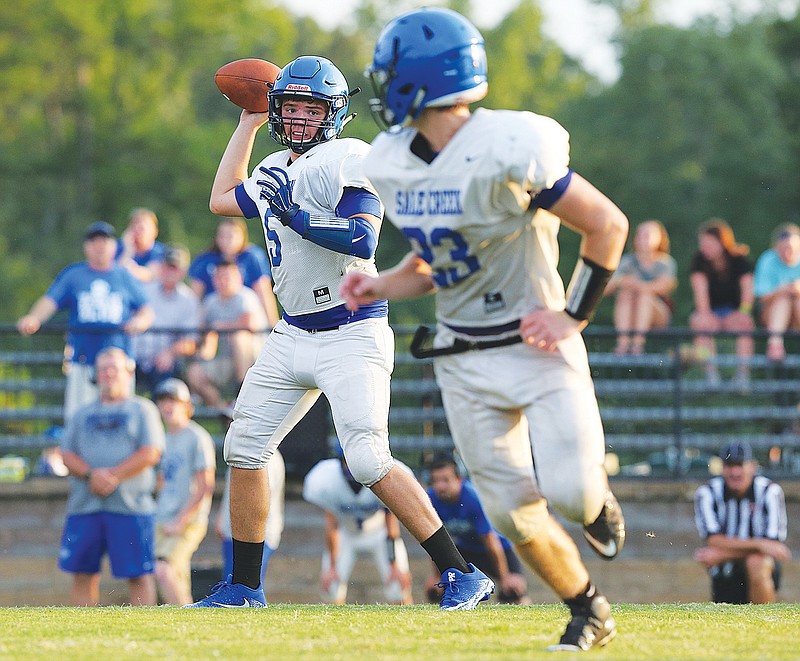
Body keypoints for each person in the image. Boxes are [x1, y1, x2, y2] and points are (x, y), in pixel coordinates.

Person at [340, 8, 628, 650]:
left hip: (537, 345)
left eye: (390, 73)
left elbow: (607, 225)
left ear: (421, 79)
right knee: (511, 515)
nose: (382, 87)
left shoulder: (512, 145)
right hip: (462, 355)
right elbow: (439, 261)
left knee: (573, 492)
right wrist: (382, 283)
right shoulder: (392, 162)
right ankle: (588, 609)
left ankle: (597, 504)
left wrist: (573, 313)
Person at [187, 54, 493, 610]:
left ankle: (461, 572)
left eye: (310, 108)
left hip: (351, 329)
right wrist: (247, 123)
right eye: (289, 108)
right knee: (245, 447)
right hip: (292, 330)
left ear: (333, 113)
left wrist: (299, 215)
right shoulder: (275, 162)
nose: (299, 119)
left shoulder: (349, 156)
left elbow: (362, 240)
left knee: (368, 459)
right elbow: (220, 200)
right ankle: (244, 587)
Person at [57, 346, 164, 606]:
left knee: (138, 574)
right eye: (102, 369)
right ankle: (82, 633)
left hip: (131, 507)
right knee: (83, 573)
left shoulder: (143, 410)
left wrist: (113, 476)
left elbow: (151, 452)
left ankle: (144, 630)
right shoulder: (81, 414)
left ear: (128, 372)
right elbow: (66, 454)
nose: (107, 374)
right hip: (86, 506)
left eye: (113, 368)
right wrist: (92, 475)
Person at [16, 221, 154, 423]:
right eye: (94, 241)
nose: (99, 246)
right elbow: (50, 301)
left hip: (117, 363)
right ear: (86, 246)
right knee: (79, 419)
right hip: (84, 359)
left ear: (113, 246)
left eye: (104, 241)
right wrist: (33, 318)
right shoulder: (74, 275)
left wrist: (139, 322)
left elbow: (147, 311)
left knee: (121, 421)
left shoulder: (123, 276)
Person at [303, 449, 413, 605]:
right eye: (349, 460)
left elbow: (391, 522)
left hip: (379, 533)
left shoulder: (384, 472)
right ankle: (333, 629)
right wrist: (332, 566)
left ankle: (408, 628)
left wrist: (394, 565)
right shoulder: (328, 479)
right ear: (341, 460)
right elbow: (332, 525)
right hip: (345, 534)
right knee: (332, 588)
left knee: (398, 587)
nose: (354, 466)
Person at [424, 454, 530, 605]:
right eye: (436, 481)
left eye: (446, 480)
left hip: (497, 549)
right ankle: (447, 624)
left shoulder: (472, 498)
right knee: (437, 591)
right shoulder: (431, 500)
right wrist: (437, 576)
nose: (440, 486)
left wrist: (505, 577)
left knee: (514, 591)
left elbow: (490, 541)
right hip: (466, 549)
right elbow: (434, 544)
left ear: (459, 480)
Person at [694, 441, 790, 604]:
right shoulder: (707, 493)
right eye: (729, 466)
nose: (735, 472)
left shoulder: (769, 492)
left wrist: (722, 554)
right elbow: (713, 539)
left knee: (757, 562)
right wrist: (760, 545)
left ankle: (765, 622)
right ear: (722, 468)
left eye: (740, 465)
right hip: (725, 571)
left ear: (753, 466)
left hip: (759, 567)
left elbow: (772, 546)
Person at [153, 378, 216, 605]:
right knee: (172, 575)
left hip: (186, 521)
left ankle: (185, 617)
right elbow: (162, 482)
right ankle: (187, 621)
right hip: (163, 518)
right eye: (163, 401)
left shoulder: (197, 437)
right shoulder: (162, 438)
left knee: (163, 570)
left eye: (174, 401)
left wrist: (182, 520)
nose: (167, 406)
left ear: (188, 407)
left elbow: (205, 485)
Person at [185, 259, 268, 409]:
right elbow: (201, 331)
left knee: (239, 337)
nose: (222, 281)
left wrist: (220, 327)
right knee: (194, 373)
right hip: (225, 360)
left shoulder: (245, 297)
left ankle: (242, 394)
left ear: (239, 279)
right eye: (219, 277)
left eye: (227, 276)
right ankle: (223, 411)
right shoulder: (210, 302)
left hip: (254, 361)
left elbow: (250, 324)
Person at [688, 219, 754, 388]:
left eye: (709, 243)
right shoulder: (698, 261)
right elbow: (700, 291)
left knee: (746, 324)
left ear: (722, 242)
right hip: (710, 311)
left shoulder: (739, 260)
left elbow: (748, 290)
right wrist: (705, 315)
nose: (704, 247)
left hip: (734, 312)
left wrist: (743, 312)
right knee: (699, 322)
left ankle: (742, 376)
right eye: (702, 243)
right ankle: (710, 374)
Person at [131, 244, 201, 396]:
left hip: (163, 361)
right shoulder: (144, 291)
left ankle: (162, 416)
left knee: (164, 381)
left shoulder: (188, 300)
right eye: (168, 266)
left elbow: (191, 342)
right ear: (161, 267)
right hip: (134, 357)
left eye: (175, 268)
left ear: (182, 271)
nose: (170, 272)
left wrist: (170, 353)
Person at [189, 217, 280, 326]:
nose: (227, 240)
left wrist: (273, 325)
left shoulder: (252, 257)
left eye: (231, 236)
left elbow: (264, 293)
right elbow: (194, 298)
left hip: (245, 314)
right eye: (223, 235)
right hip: (215, 315)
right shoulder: (205, 260)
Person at [605, 220, 677, 355]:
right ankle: (623, 343)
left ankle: (638, 345)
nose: (642, 238)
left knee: (645, 296)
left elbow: (664, 287)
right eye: (640, 234)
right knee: (625, 294)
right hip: (631, 311)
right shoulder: (627, 261)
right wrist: (621, 282)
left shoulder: (665, 263)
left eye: (647, 235)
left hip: (658, 314)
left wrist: (634, 284)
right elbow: (607, 288)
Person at [753, 223, 800, 361]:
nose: (787, 252)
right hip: (772, 316)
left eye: (790, 248)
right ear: (776, 247)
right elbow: (761, 296)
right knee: (783, 299)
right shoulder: (768, 260)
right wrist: (781, 290)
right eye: (783, 248)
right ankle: (775, 345)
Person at [116, 207, 167, 283]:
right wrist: (128, 251)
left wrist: (127, 266)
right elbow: (115, 275)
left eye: (141, 228)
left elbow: (148, 275)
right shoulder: (118, 247)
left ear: (155, 231)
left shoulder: (160, 252)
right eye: (134, 227)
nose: (137, 232)